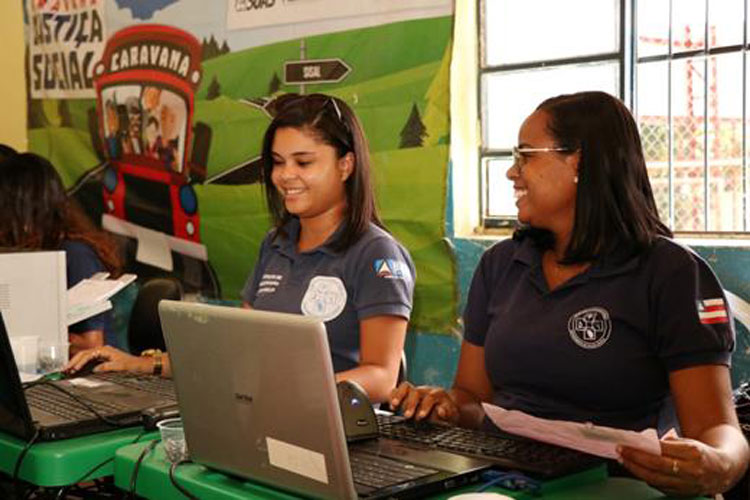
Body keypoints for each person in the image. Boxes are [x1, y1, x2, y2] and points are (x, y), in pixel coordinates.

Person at [390, 91, 749, 496]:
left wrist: (721, 463)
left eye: (526, 155)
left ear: (579, 160)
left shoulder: (671, 273)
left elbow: (717, 430)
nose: (512, 172)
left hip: (619, 482)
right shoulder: (501, 264)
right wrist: (448, 406)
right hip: (503, 474)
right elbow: (474, 398)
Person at [66, 93, 415, 404]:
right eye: (278, 162)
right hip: (262, 418)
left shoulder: (376, 254)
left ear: (345, 165)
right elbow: (238, 348)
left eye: (303, 162)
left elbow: (382, 378)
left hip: (336, 431)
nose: (285, 175)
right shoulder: (275, 244)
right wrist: (142, 364)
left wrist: (295, 393)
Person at [0, 153, 122, 355]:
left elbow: (92, 344)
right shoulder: (29, 255)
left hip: (93, 377)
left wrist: (33, 335)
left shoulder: (76, 254)